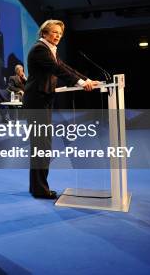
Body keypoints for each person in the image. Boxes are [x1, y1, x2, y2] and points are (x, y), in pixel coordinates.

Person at [24, 19, 99, 200]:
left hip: (43, 100)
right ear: (44, 33)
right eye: (54, 32)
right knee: (41, 146)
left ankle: (36, 187)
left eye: (60, 33)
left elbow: (65, 67)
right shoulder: (40, 49)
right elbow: (58, 70)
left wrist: (86, 80)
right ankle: (40, 189)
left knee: (42, 146)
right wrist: (81, 82)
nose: (58, 36)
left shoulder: (49, 50)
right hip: (37, 102)